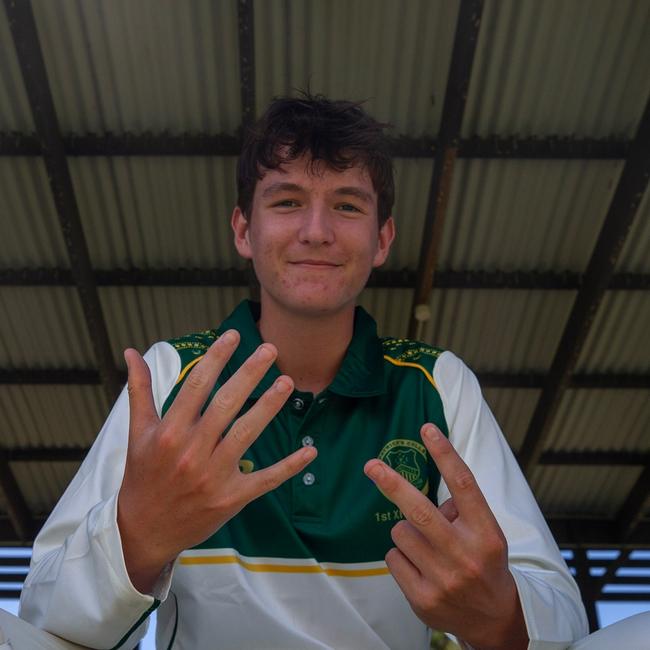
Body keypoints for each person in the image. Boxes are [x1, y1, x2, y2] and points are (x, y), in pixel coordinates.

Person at [19, 95, 587, 649]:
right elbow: (45, 619)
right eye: (287, 202)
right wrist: (137, 537)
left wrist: (501, 619)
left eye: (347, 205)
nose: (317, 231)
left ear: (382, 239)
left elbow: (559, 615)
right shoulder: (173, 374)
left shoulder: (436, 383)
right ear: (244, 230)